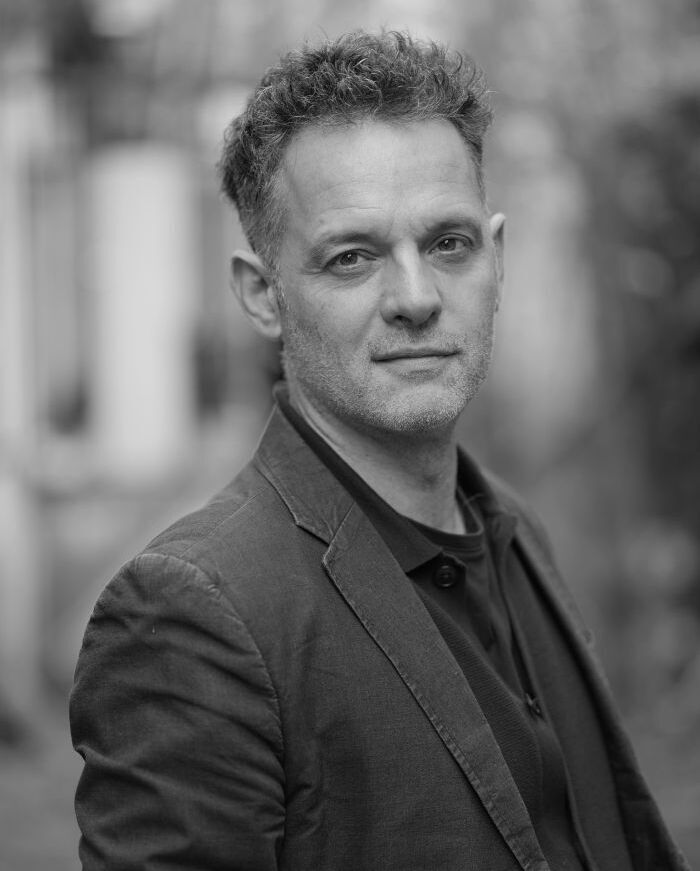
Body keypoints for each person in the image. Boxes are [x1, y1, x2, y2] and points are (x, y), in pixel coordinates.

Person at [70, 30, 689, 871]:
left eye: (448, 244)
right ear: (262, 295)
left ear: (496, 257)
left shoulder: (515, 533)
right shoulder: (192, 618)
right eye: (353, 257)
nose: (416, 297)